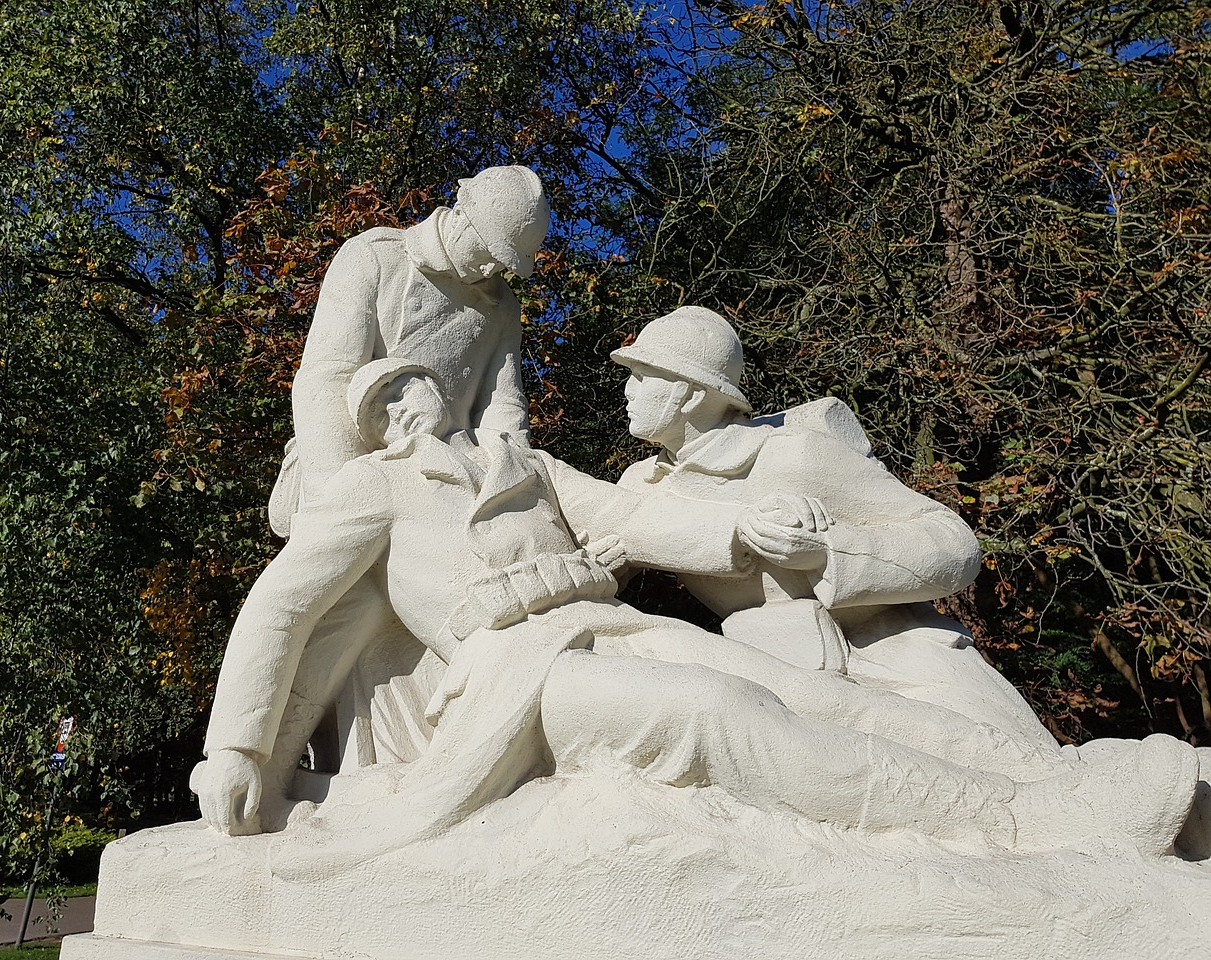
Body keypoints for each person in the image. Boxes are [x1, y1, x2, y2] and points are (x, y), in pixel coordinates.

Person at [190, 360, 1197, 860]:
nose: (407, 402)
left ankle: (1066, 783)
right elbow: (282, 608)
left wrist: (739, 532)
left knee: (816, 695)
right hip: (513, 677)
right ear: (375, 425)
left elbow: (634, 516)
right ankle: (1017, 827)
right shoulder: (369, 490)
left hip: (605, 628)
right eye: (385, 401)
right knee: (718, 714)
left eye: (413, 385)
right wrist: (236, 750)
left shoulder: (524, 463)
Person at [611, 306, 1057, 746]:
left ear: (691, 394)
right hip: (773, 675)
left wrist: (828, 552)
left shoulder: (790, 455)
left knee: (1017, 769)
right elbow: (600, 569)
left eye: (643, 377)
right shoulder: (638, 487)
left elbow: (954, 545)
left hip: (894, 657)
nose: (628, 390)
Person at [269, 164, 550, 538]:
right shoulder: (376, 256)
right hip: (359, 463)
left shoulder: (503, 307)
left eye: (504, 261)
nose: (491, 267)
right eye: (488, 250)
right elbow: (327, 377)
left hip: (453, 475)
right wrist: (335, 498)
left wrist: (520, 489)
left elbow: (501, 404)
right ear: (461, 214)